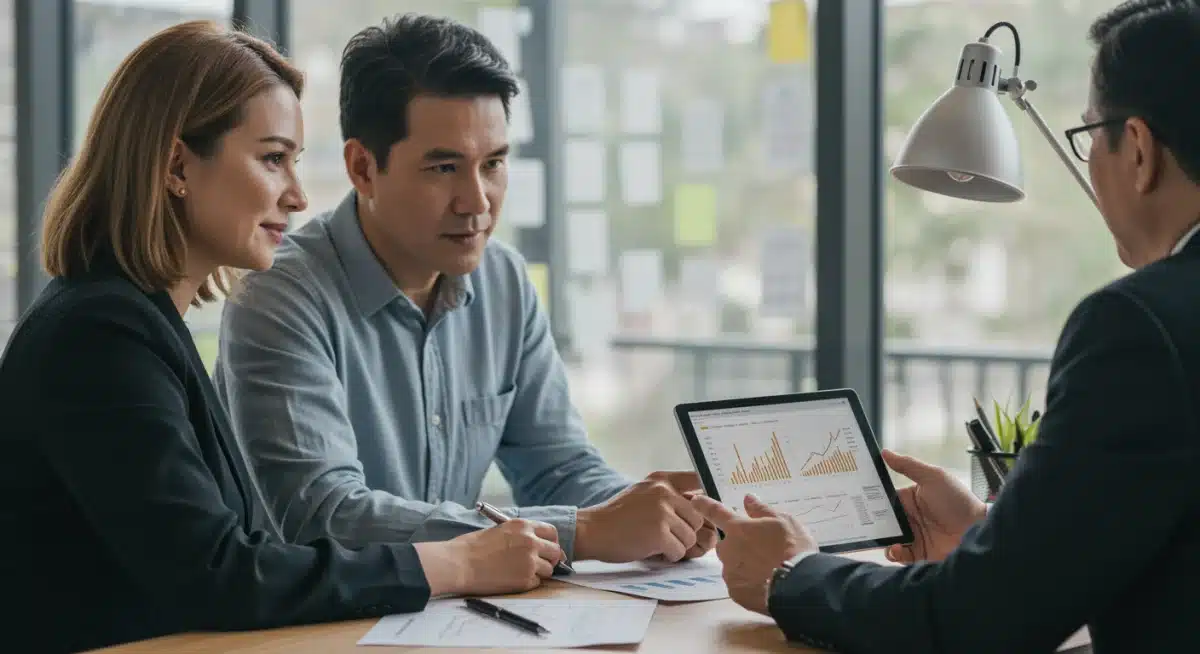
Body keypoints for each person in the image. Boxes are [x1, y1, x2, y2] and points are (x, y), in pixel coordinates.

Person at [0, 21, 567, 654]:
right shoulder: (100, 337)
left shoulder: (140, 321)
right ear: (177, 165)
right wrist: (459, 562)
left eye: (295, 162)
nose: (297, 196)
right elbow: (221, 572)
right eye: (273, 159)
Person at [692, 1, 1200, 652]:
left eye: (1087, 137)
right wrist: (996, 535)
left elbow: (978, 622)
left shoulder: (1138, 326)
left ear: (1136, 150)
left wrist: (790, 575)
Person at [212, 13, 716, 565]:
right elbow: (326, 517)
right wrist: (587, 531)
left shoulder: (503, 281)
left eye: (494, 164)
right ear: (362, 168)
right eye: (444, 168)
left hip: (453, 617)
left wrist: (660, 517)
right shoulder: (278, 297)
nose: (477, 201)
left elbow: (558, 470)